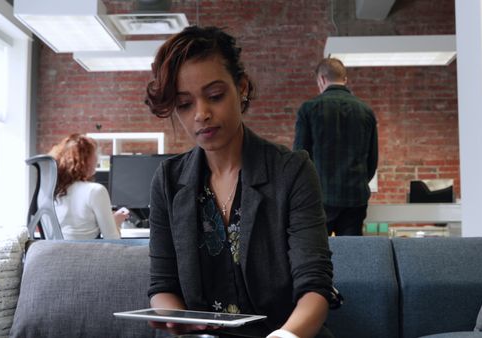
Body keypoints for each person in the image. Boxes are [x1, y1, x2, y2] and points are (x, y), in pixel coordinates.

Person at [144, 26, 342, 338]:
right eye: (184, 104)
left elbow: (315, 288)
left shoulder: (292, 171)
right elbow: (163, 285)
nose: (201, 114)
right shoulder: (169, 181)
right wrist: (175, 319)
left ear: (242, 87)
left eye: (215, 96)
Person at [293, 58, 378, 236]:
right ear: (344, 79)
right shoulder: (366, 111)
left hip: (319, 197)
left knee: (317, 255)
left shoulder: (309, 109)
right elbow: (372, 161)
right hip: (355, 198)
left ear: (322, 79)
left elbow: (300, 158)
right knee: (352, 256)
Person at [49, 134, 129, 240]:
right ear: (86, 160)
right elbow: (112, 240)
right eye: (95, 154)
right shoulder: (96, 190)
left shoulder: (54, 191)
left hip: (55, 252)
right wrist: (116, 223)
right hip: (85, 254)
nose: (97, 158)